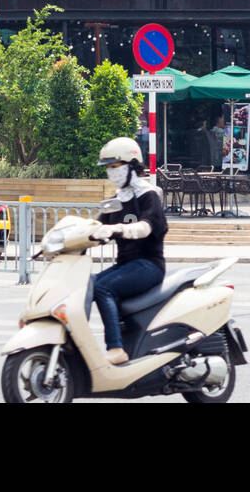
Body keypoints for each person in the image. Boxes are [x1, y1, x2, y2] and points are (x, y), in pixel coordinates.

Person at [90, 137, 168, 365]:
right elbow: (97, 227)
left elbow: (146, 227)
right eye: (108, 168)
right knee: (87, 284)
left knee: (103, 288)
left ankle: (115, 348)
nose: (111, 173)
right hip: (126, 265)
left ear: (132, 165)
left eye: (115, 167)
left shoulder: (148, 195)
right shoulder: (116, 200)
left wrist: (117, 230)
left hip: (149, 265)